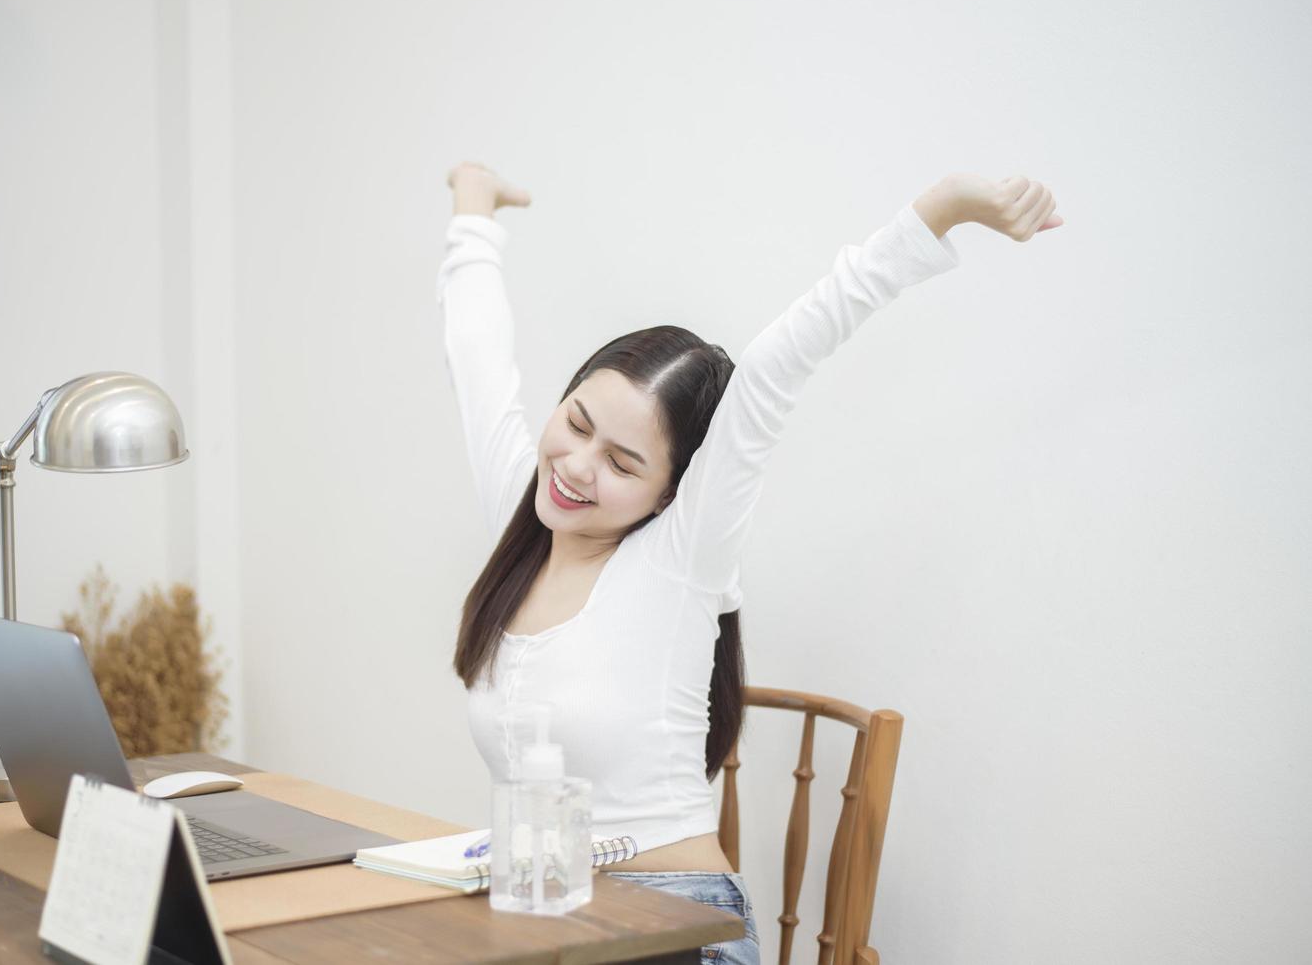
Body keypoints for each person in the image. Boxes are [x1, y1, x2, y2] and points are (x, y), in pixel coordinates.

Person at [438, 161, 1060, 964]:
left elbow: (776, 366)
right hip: (548, 920)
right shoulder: (523, 518)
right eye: (577, 422)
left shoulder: (681, 557)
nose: (578, 466)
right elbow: (477, 358)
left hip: (678, 927)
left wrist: (938, 212)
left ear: (670, 493)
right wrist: (473, 207)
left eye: (624, 463)